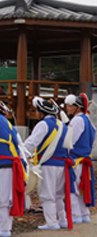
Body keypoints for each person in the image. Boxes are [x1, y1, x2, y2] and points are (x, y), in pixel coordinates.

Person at [23, 97, 74, 230]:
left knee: (47, 194)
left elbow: (31, 143)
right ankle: (62, 220)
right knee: (58, 195)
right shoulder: (62, 125)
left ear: (42, 112)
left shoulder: (43, 124)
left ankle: (52, 222)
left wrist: (21, 155)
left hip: (48, 163)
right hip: (62, 164)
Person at [0, 99, 26, 237]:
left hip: (1, 164)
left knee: (0, 197)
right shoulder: (9, 124)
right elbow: (20, 145)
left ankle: (3, 228)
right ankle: (6, 227)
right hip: (13, 164)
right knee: (8, 197)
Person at [65, 93, 95, 224]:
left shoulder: (77, 120)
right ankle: (84, 214)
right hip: (84, 158)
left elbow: (69, 142)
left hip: (76, 160)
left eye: (69, 106)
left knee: (73, 188)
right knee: (81, 189)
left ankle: (76, 215)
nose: (67, 108)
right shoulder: (88, 120)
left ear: (77, 107)